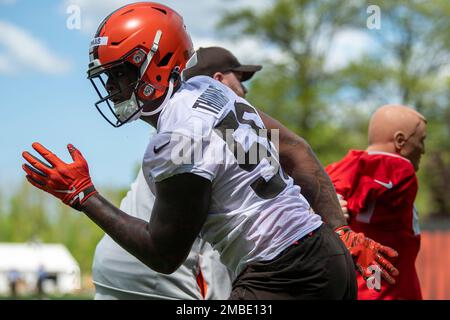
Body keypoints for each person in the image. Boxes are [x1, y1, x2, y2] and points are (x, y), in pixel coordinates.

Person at [21, 2, 396, 299]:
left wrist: (84, 196)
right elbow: (294, 148)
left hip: (280, 276)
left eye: (121, 72)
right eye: (109, 76)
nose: (114, 86)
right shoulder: (210, 91)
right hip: (327, 256)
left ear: (157, 63)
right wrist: (341, 230)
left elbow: (164, 254)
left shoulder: (177, 137)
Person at [91, 47, 263, 300]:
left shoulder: (179, 128)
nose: (245, 90)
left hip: (118, 266)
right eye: (239, 78)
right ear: (218, 81)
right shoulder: (202, 132)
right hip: (157, 276)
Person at [325, 104, 427, 300]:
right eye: (421, 141)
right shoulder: (398, 168)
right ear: (400, 141)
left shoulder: (342, 168)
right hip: (382, 292)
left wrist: (329, 202)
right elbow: (374, 167)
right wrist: (332, 202)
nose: (423, 150)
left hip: (369, 287)